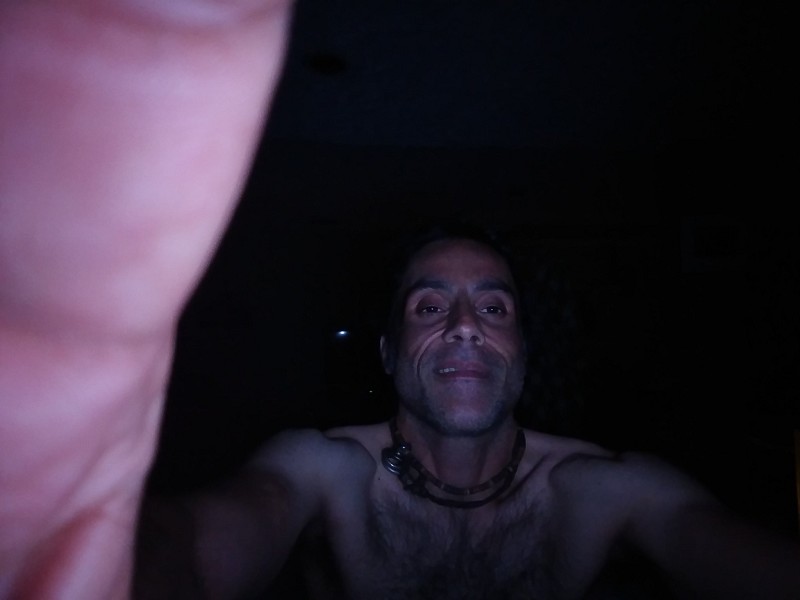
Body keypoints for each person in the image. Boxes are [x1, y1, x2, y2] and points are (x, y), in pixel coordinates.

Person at [1, 2, 798, 599]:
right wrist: (78, 547)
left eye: (494, 308)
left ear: (524, 349)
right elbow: (200, 552)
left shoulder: (604, 491)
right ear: (387, 352)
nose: (464, 327)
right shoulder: (324, 473)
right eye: (428, 306)